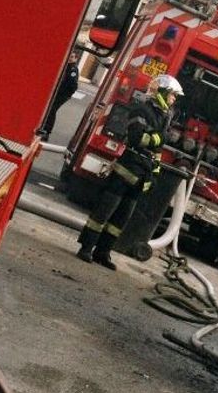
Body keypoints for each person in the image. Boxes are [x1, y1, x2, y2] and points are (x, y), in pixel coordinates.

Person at [76, 74, 183, 270]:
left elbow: (157, 151)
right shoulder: (142, 109)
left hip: (143, 173)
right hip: (127, 169)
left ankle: (103, 252)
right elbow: (136, 138)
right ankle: (86, 247)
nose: (174, 99)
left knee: (121, 218)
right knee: (104, 211)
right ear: (162, 92)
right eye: (172, 95)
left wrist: (154, 172)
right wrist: (160, 138)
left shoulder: (164, 116)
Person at [40, 50, 81, 140]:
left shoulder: (73, 69)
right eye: (69, 56)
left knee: (52, 109)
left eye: (72, 57)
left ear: (76, 59)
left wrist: (66, 93)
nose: (70, 58)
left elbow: (73, 85)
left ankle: (47, 132)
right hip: (58, 93)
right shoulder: (66, 66)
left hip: (63, 94)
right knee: (49, 109)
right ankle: (43, 128)